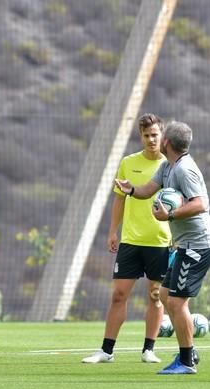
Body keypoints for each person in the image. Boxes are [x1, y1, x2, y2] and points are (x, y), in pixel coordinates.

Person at [114, 120, 210, 375]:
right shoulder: (167, 166)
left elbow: (201, 204)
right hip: (185, 245)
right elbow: (148, 190)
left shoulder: (184, 170)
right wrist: (131, 190)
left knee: (175, 303)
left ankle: (186, 361)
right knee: (164, 296)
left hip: (198, 245)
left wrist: (169, 216)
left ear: (166, 142)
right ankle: (189, 352)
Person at [82, 113, 170, 364]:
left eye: (155, 135)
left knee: (155, 296)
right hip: (131, 241)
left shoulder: (170, 166)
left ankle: (148, 349)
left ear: (162, 135)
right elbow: (119, 199)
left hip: (160, 242)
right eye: (146, 135)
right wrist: (113, 231)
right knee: (118, 295)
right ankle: (106, 351)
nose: (151, 139)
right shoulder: (128, 162)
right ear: (140, 137)